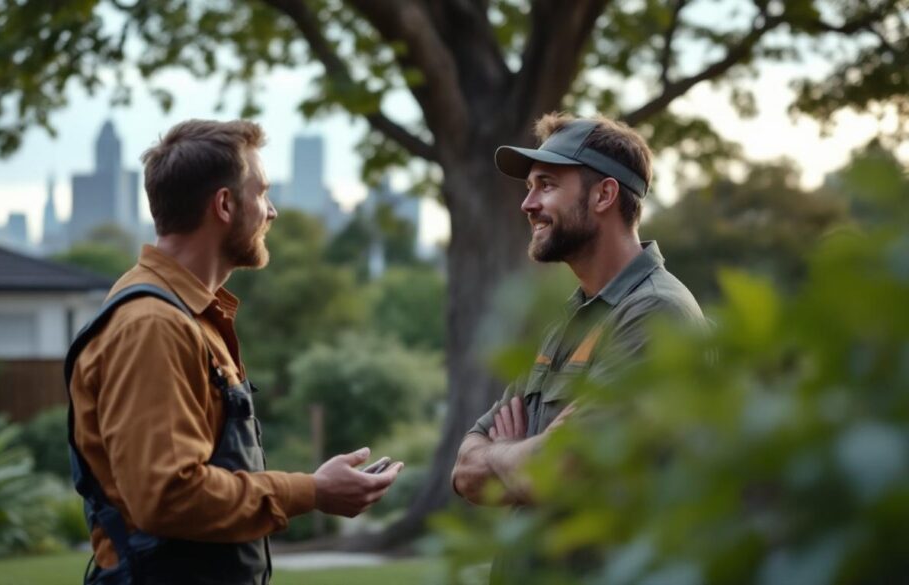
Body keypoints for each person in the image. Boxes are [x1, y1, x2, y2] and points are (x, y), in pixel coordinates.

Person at [65, 119, 402, 585]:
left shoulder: (187, 315)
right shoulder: (153, 326)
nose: (272, 212)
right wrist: (312, 492)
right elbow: (167, 496)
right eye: (261, 193)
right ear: (224, 205)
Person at [450, 114, 705, 580]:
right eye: (529, 187)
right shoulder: (567, 324)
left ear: (604, 195)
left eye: (547, 184)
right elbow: (465, 471)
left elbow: (562, 467)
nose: (528, 203)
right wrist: (526, 454)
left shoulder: (656, 314)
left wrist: (516, 453)